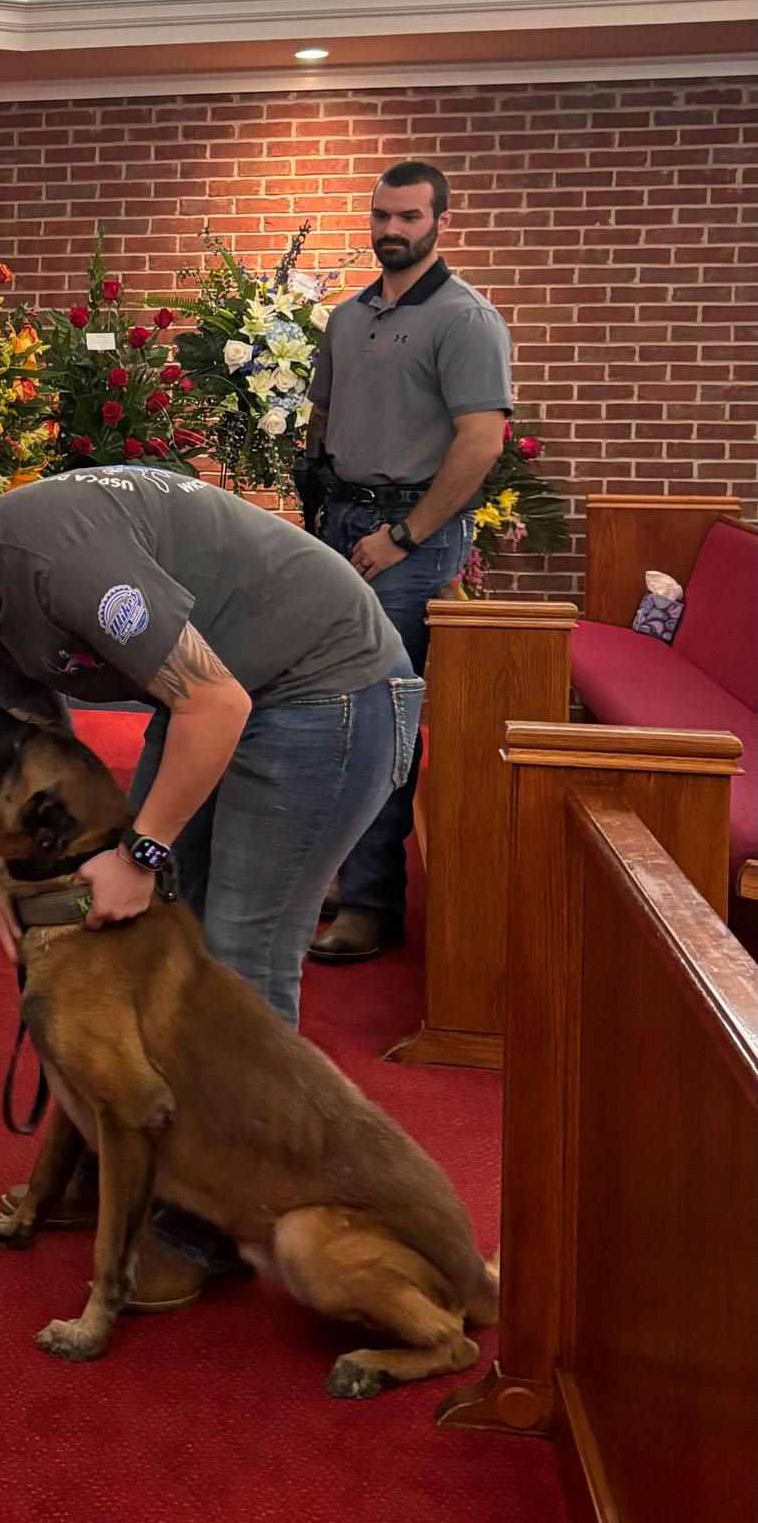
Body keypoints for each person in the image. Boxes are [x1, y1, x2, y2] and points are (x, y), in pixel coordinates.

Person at [0, 469, 424, 1306]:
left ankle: (207, 1227)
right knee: (147, 940)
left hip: (327, 691)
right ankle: (129, 1166)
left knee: (241, 957)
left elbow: (212, 701)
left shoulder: (64, 562)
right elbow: (50, 764)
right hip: (227, 693)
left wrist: (140, 854)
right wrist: (14, 869)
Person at [298, 161, 512, 964]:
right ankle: (334, 870)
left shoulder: (465, 320)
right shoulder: (349, 316)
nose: (391, 229)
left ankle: (372, 902)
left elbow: (480, 441)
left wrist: (407, 537)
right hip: (341, 524)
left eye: (409, 217)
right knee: (324, 709)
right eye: (381, 215)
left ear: (439, 223)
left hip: (409, 538)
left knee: (382, 717)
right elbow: (323, 413)